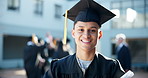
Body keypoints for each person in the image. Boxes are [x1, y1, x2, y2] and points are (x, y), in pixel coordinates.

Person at [43, 0, 134, 78]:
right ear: (73, 33)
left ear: (99, 35)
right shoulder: (57, 68)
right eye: (81, 30)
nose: (86, 35)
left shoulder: (112, 68)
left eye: (92, 30)